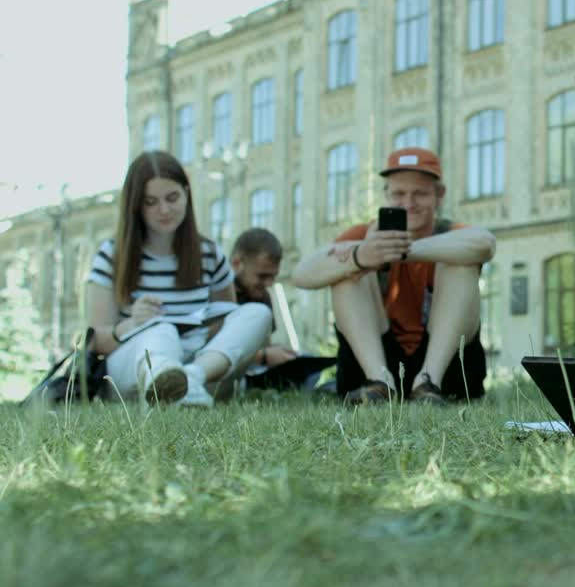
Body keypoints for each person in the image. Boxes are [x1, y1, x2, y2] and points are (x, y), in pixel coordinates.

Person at [293, 147, 495, 405]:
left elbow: (486, 243)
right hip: (373, 364)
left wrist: (400, 251)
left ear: (439, 195)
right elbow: (301, 274)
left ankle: (428, 383)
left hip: (447, 369)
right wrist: (361, 257)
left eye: (420, 193)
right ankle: (379, 383)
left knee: (461, 262)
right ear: (386, 194)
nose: (408, 203)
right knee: (347, 269)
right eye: (399, 194)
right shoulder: (364, 235)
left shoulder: (453, 234)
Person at [86, 151, 273, 406]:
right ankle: (164, 382)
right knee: (162, 330)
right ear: (136, 206)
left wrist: (205, 329)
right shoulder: (112, 256)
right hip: (135, 364)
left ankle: (188, 380)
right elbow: (96, 342)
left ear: (186, 194)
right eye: (150, 202)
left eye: (172, 198)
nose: (164, 210)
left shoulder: (209, 254)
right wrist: (133, 323)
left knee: (257, 314)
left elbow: (226, 320)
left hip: (198, 361)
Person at [231, 227, 299, 369]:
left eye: (273, 276)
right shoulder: (217, 296)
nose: (269, 284)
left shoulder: (263, 297)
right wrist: (263, 356)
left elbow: (265, 345)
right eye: (262, 276)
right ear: (237, 264)